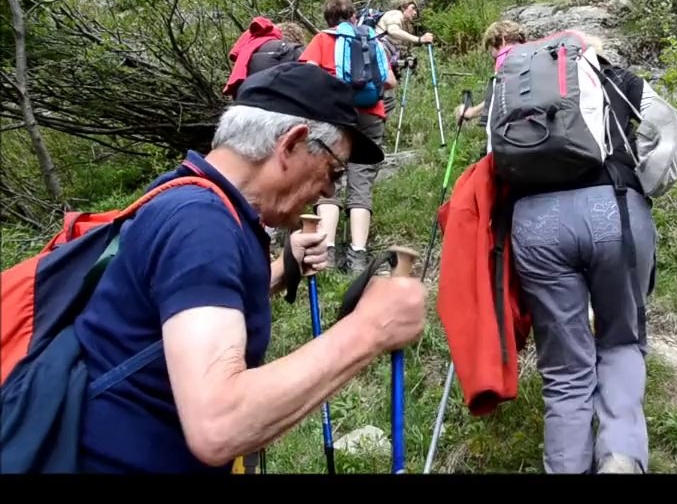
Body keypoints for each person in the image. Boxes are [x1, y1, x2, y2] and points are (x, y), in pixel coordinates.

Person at [72, 61, 425, 473]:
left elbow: (181, 305)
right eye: (333, 171)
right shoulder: (200, 224)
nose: (330, 189)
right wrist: (371, 328)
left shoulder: (187, 194)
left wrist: (278, 271)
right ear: (291, 143)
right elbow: (218, 424)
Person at [501, 32, 677, 474]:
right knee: (621, 341)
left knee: (564, 368)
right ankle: (620, 455)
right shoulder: (612, 77)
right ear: (588, 55)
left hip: (534, 223)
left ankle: (566, 466)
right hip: (612, 210)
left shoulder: (514, 94)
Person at [300, 0, 396, 274]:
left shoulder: (322, 40)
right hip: (370, 115)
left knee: (329, 178)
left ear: (327, 19)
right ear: (354, 17)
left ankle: (327, 253)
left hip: (333, 116)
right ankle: (358, 255)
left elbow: (308, 77)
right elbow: (389, 81)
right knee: (361, 182)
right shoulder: (370, 40)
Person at [453, 19, 526, 126]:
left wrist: (470, 112)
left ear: (498, 41)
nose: (492, 55)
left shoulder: (506, 59)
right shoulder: (532, 55)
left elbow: (497, 100)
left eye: (490, 49)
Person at [375, 0, 435, 116]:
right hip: (378, 55)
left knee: (386, 93)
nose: (415, 12)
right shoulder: (395, 14)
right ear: (403, 7)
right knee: (388, 91)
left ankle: (380, 121)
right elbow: (393, 30)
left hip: (382, 58)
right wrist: (419, 39)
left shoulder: (404, 24)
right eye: (412, 8)